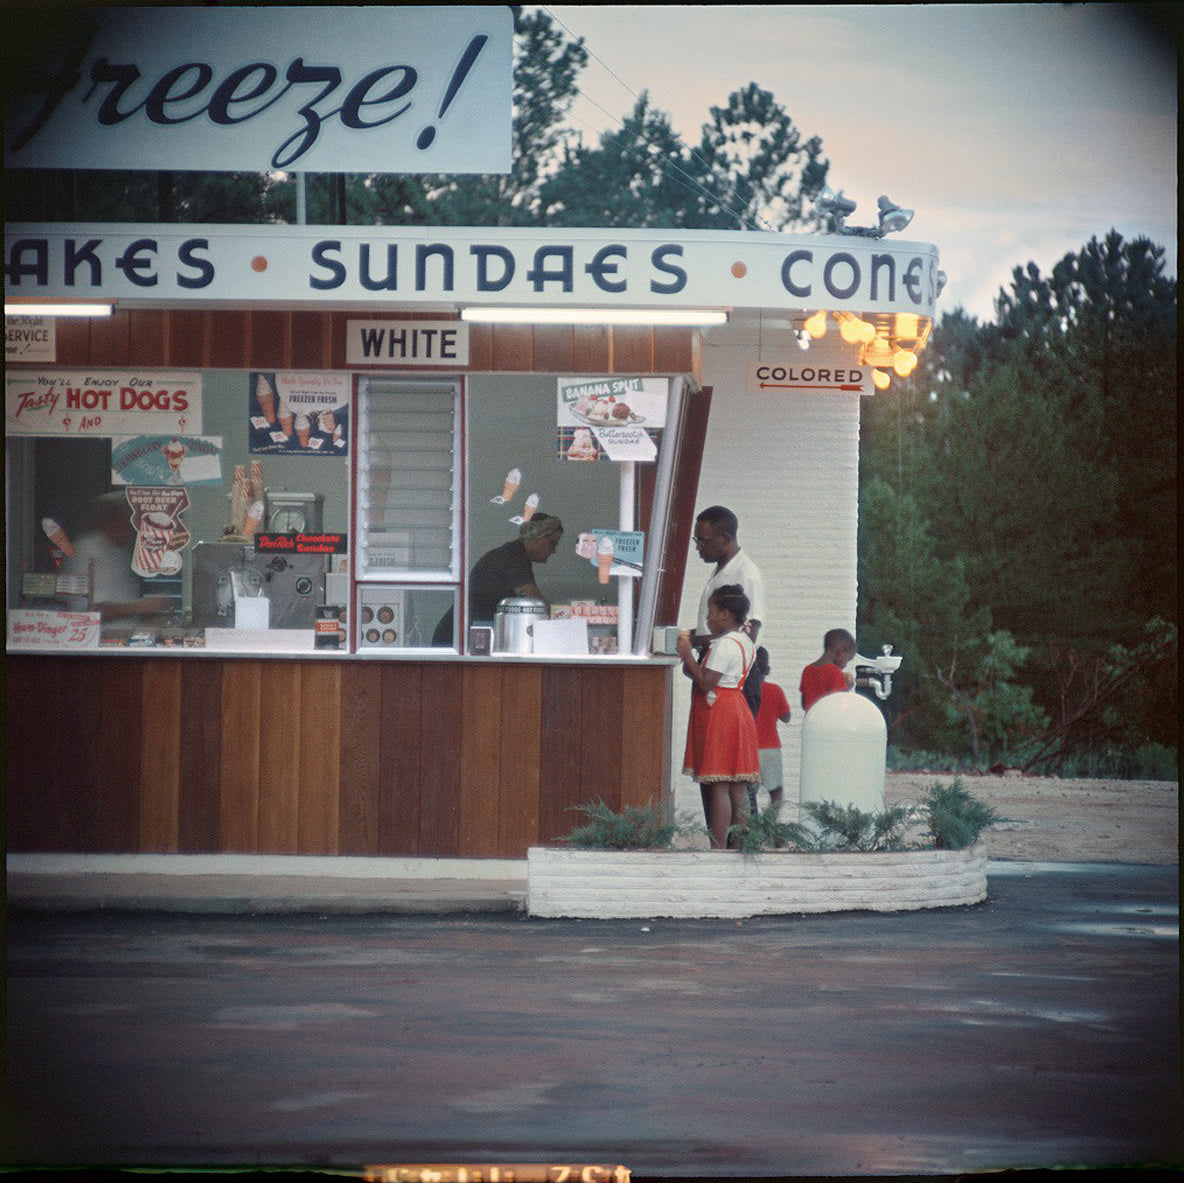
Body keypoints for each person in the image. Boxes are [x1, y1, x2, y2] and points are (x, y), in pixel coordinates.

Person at [676, 584, 760, 850]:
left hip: (721, 712)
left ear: (725, 614)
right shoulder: (745, 641)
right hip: (737, 707)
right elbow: (702, 675)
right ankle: (742, 843)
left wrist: (686, 653)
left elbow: (706, 682)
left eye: (711, 612)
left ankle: (718, 846)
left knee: (720, 784)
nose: (707, 619)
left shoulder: (725, 645)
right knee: (737, 785)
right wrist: (692, 661)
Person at [62, 491, 173, 625]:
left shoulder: (119, 553)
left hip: (124, 639)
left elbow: (123, 602)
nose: (132, 527)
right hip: (96, 641)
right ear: (109, 520)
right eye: (126, 520)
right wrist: (141, 607)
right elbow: (91, 610)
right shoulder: (85, 552)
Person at [691, 505, 766, 646]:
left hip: (725, 667)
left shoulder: (746, 575)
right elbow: (711, 630)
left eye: (703, 541)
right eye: (696, 540)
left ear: (725, 538)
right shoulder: (720, 570)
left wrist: (693, 641)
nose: (698, 547)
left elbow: (749, 637)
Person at [469, 513, 564, 621]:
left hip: (471, 628)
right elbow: (535, 606)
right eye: (552, 543)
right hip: (463, 632)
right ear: (537, 536)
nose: (554, 550)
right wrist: (570, 614)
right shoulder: (514, 558)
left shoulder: (512, 552)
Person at [747, 647, 792, 817]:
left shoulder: (743, 691)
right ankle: (771, 827)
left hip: (748, 747)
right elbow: (786, 717)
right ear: (767, 669)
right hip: (770, 747)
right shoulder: (774, 690)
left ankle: (751, 826)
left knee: (748, 791)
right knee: (776, 791)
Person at [800, 627, 857, 712]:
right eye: (848, 659)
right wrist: (847, 687)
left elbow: (804, 705)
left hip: (811, 721)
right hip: (829, 722)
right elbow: (841, 705)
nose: (845, 665)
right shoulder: (835, 672)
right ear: (840, 652)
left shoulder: (807, 670)